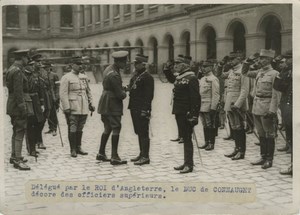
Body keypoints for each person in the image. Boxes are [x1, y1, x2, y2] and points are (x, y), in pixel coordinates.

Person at [164, 55, 200, 174]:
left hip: (187, 112)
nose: (175, 66)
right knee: (184, 137)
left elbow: (195, 98)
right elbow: (171, 79)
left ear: (184, 65)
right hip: (179, 111)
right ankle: (186, 162)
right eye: (175, 64)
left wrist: (194, 114)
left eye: (177, 64)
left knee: (187, 138)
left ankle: (189, 164)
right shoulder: (180, 77)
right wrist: (166, 69)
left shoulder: (191, 78)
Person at [246, 49, 281, 169]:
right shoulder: (259, 72)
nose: (260, 60)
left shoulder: (274, 74)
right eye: (260, 58)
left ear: (269, 60)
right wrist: (248, 61)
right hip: (256, 106)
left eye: (262, 58)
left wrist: (272, 110)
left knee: (269, 134)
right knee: (261, 133)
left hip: (267, 106)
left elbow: (276, 94)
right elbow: (244, 72)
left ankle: (269, 159)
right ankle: (262, 156)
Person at [97, 51, 128, 165]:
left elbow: (110, 86)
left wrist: (121, 88)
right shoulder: (115, 74)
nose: (126, 64)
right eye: (124, 62)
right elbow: (120, 95)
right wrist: (124, 92)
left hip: (105, 101)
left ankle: (101, 153)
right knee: (116, 127)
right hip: (112, 103)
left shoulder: (108, 69)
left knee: (107, 127)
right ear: (119, 62)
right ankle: (114, 156)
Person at [60, 56, 94, 158]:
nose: (80, 66)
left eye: (81, 64)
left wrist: (91, 103)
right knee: (73, 127)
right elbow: (63, 94)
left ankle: (79, 147)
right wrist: (66, 107)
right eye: (78, 64)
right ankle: (73, 149)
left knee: (80, 127)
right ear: (72, 65)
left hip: (83, 106)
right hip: (73, 106)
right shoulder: (66, 77)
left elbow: (88, 91)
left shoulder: (84, 77)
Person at [6, 49, 32, 170]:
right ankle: (17, 159)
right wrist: (23, 107)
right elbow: (18, 92)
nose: (28, 60)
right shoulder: (17, 71)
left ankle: (14, 155)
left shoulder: (13, 69)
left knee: (16, 130)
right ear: (22, 58)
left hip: (13, 105)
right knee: (20, 131)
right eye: (27, 58)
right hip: (18, 106)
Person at [127, 54, 154, 165]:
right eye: (134, 63)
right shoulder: (136, 75)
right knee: (138, 131)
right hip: (134, 107)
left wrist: (145, 109)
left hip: (142, 108)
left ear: (143, 65)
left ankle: (145, 156)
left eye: (136, 64)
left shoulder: (147, 77)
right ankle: (141, 153)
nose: (134, 65)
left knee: (143, 132)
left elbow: (149, 95)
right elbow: (132, 88)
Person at [222, 52, 249, 160]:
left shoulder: (243, 71)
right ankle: (237, 149)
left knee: (239, 127)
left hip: (237, 104)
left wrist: (238, 104)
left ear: (239, 59)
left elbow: (244, 90)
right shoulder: (231, 71)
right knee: (234, 127)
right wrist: (221, 65)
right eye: (229, 59)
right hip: (229, 102)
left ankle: (241, 151)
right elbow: (220, 75)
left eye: (232, 59)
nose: (230, 61)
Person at [273, 50, 293, 175]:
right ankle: (293, 165)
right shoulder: (287, 71)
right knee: (290, 130)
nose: (285, 61)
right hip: (288, 105)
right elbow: (278, 86)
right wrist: (282, 72)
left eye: (288, 58)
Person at [24, 61, 45, 158]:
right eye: (30, 65)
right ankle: (31, 149)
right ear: (26, 66)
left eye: (33, 65)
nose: (33, 67)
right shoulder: (23, 76)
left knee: (39, 123)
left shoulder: (36, 76)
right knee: (30, 126)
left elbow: (40, 90)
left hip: (36, 102)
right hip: (28, 102)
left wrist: (41, 103)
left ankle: (35, 144)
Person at [198, 60, 220, 151]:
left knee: (210, 124)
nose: (204, 68)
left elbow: (216, 94)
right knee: (205, 125)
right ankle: (206, 142)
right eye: (203, 66)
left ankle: (211, 143)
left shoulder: (213, 79)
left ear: (211, 67)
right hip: (201, 105)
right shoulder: (202, 79)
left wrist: (213, 107)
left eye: (206, 66)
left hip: (209, 105)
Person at [44, 61, 60, 136]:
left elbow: (57, 87)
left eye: (47, 67)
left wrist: (57, 97)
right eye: (45, 67)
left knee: (53, 112)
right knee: (48, 112)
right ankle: (50, 128)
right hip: (45, 96)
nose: (46, 69)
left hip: (52, 96)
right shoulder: (42, 75)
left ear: (50, 68)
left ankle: (54, 129)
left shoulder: (54, 75)